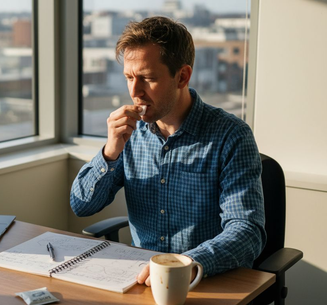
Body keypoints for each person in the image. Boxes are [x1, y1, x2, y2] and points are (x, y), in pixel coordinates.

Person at [70, 16, 266, 285]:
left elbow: (247, 231)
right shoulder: (130, 133)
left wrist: (185, 264)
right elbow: (81, 206)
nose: (135, 91)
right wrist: (110, 152)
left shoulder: (231, 136)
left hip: (204, 280)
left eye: (148, 78)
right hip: (141, 280)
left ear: (182, 76)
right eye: (129, 77)